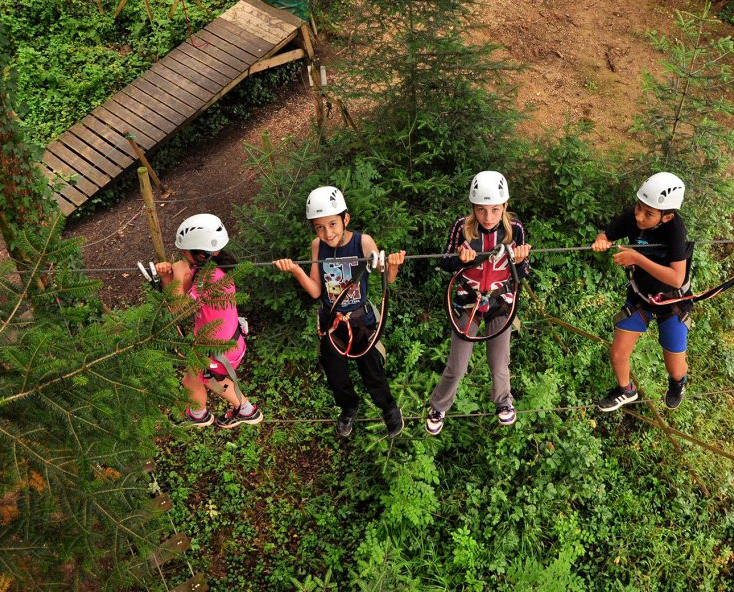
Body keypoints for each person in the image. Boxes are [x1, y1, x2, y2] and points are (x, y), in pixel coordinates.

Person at [273, 187, 406, 438]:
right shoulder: (317, 246)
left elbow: (385, 277)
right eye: (319, 227)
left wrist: (393, 267)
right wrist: (296, 271)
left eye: (332, 224)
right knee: (336, 376)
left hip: (361, 321)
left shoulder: (362, 242)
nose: (327, 233)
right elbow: (315, 291)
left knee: (373, 372)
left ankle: (389, 410)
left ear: (346, 218)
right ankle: (348, 408)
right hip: (332, 324)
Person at [425, 171, 531, 435]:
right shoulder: (463, 227)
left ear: (505, 206)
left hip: (500, 300)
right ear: (473, 208)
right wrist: (462, 259)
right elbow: (445, 261)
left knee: (499, 364)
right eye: (481, 210)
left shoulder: (514, 229)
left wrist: (519, 261)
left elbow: (524, 272)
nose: (488, 217)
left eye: (495, 209)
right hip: (468, 300)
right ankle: (438, 406)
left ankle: (503, 402)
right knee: (457, 365)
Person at [591, 172, 691, 412]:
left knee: (675, 367)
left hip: (672, 301)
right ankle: (626, 390)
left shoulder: (675, 230)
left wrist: (636, 257)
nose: (638, 216)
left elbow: (676, 277)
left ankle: (678, 383)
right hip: (640, 297)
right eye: (638, 207)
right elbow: (606, 235)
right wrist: (602, 240)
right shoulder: (634, 217)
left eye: (648, 214)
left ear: (666, 217)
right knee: (617, 353)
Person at [156, 213, 263, 428]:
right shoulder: (214, 267)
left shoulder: (210, 278)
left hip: (215, 347)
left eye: (184, 252)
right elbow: (175, 297)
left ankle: (198, 414)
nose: (182, 256)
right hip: (225, 341)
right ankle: (245, 410)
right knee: (213, 380)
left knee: (192, 380)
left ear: (201, 253)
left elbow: (176, 308)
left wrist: (177, 273)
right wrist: (168, 277)